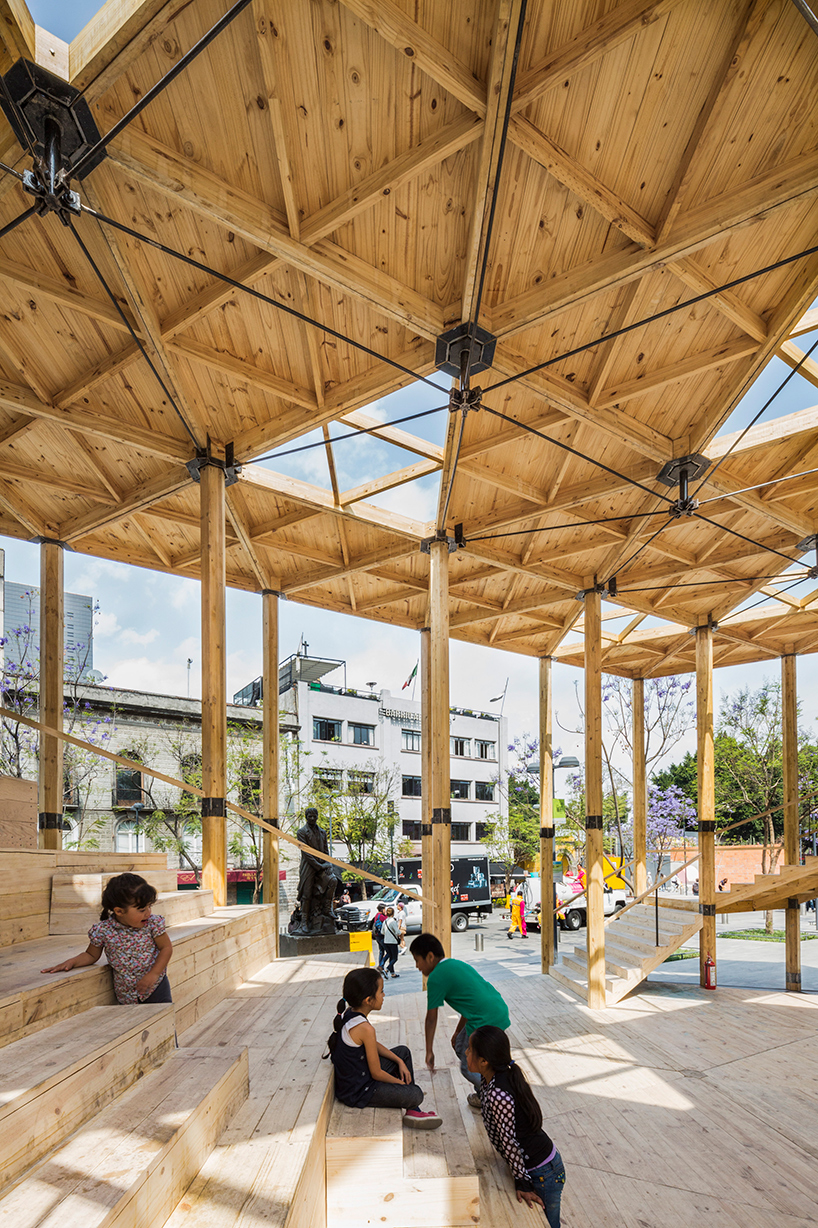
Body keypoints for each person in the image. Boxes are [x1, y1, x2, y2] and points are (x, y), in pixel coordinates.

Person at [467, 1026, 566, 1228]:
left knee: (548, 1224)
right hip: (540, 1165)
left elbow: (509, 1140)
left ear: (484, 1061)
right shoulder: (492, 1080)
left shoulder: (497, 1093)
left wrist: (523, 1182)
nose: (466, 1052)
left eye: (470, 1050)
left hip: (542, 1172)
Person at [325, 966, 441, 1129]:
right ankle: (413, 1106)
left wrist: (398, 1061)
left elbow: (373, 1045)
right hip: (360, 1091)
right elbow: (376, 1073)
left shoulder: (350, 1013)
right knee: (416, 1094)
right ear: (368, 1000)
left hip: (357, 1077)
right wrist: (403, 1086)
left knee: (403, 1053)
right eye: (381, 992)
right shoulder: (365, 1029)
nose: (384, 995)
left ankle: (413, 1110)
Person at [410, 932, 510, 1109]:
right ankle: (485, 1092)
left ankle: (497, 1097)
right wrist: (458, 1031)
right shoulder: (454, 964)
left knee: (468, 1067)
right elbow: (470, 1001)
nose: (417, 966)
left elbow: (431, 1018)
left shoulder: (435, 977)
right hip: (495, 1009)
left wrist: (429, 1051)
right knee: (460, 1046)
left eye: (417, 960)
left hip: (484, 1019)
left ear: (430, 957)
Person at [41, 873, 173, 1004]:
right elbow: (91, 955)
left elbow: (166, 948)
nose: (148, 912)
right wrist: (72, 962)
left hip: (156, 987)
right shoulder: (103, 931)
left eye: (150, 906)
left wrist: (154, 974)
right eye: (142, 909)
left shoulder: (152, 924)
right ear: (119, 911)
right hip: (126, 994)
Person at [382, 906, 401, 978]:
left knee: (390, 956)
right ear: (393, 913)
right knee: (395, 958)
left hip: (386, 941)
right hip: (392, 941)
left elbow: (382, 932)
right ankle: (387, 969)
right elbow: (397, 931)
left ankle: (393, 973)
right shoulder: (393, 922)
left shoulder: (385, 921)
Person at [372, 904, 388, 970]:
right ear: (382, 909)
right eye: (384, 909)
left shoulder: (376, 915)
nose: (385, 910)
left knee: (381, 951)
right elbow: (387, 920)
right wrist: (386, 914)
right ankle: (381, 965)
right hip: (381, 936)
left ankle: (380, 964)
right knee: (389, 951)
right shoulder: (381, 916)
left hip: (377, 935)